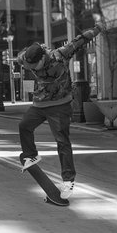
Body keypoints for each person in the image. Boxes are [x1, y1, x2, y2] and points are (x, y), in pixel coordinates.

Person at [16, 18, 106, 199]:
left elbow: (79, 40)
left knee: (62, 141)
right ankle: (31, 155)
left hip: (60, 104)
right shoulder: (24, 59)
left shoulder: (60, 54)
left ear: (43, 58)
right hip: (40, 103)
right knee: (24, 126)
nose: (31, 68)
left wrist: (97, 29)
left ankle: (68, 181)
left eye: (34, 65)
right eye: (29, 65)